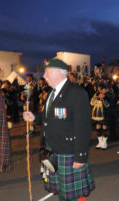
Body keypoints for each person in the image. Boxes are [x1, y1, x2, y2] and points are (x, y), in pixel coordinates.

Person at [23, 59, 95, 201]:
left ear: (59, 73)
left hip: (68, 150)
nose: (44, 76)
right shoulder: (52, 92)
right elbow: (49, 117)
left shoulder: (77, 93)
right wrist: (34, 117)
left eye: (47, 72)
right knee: (63, 191)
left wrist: (80, 156)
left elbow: (83, 127)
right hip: (52, 148)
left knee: (72, 194)